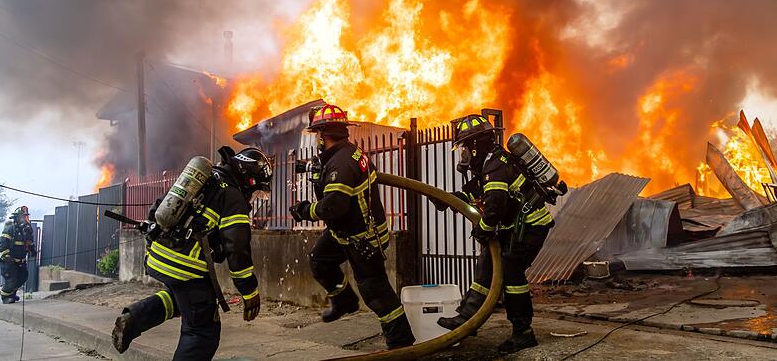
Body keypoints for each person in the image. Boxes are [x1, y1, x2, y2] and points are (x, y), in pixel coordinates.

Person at [112, 147, 272, 360]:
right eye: (256, 191)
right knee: (203, 329)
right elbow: (237, 249)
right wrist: (249, 291)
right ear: (248, 180)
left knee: (184, 300)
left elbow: (159, 207)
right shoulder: (233, 197)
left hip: (158, 256)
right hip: (186, 266)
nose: (253, 198)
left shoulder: (204, 180)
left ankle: (134, 319)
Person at [289, 103, 415, 350]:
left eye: (317, 136)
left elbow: (334, 206)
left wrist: (305, 210)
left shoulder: (341, 163)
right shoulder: (348, 154)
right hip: (343, 233)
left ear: (323, 135)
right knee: (320, 260)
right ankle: (344, 300)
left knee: (376, 293)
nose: (316, 141)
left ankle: (402, 344)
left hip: (363, 239)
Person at [433, 114, 555, 355]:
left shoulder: (495, 164)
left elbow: (495, 205)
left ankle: (523, 333)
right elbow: (476, 192)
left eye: (465, 147)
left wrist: (484, 230)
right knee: (487, 265)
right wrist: (448, 200)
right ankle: (467, 318)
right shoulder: (489, 162)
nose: (463, 154)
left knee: (511, 275)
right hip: (515, 228)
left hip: (530, 227)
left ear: (476, 145)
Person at [0, 205, 36, 304]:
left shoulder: (26, 230)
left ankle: (12, 294)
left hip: (20, 261)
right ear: (17, 218)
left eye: (26, 216)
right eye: (22, 217)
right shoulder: (10, 229)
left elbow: (29, 242)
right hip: (8, 261)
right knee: (11, 280)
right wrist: (7, 257)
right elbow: (2, 245)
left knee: (23, 277)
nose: (25, 219)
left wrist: (32, 250)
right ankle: (5, 297)